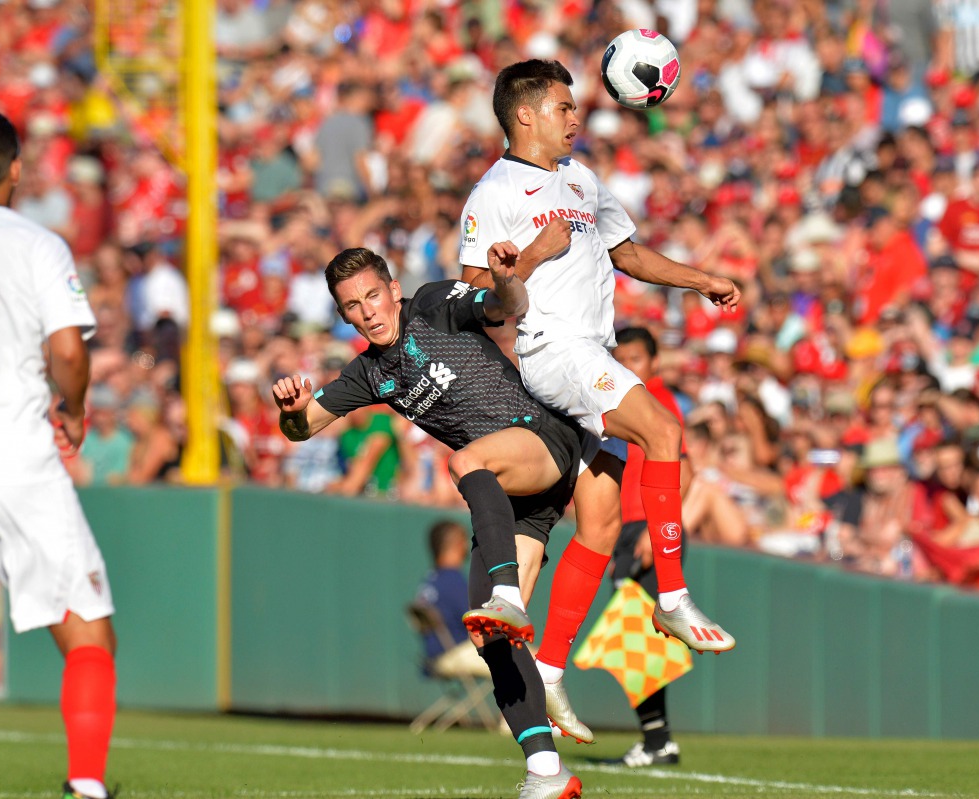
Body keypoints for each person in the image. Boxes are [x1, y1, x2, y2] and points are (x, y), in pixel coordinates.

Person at [455, 63, 737, 719]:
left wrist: (701, 279)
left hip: (592, 354)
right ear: (524, 115)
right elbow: (475, 294)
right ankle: (672, 596)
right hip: (553, 350)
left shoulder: (583, 181)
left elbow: (630, 254)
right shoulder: (494, 191)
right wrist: (527, 261)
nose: (575, 117)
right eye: (562, 107)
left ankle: (549, 669)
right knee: (664, 430)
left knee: (602, 522)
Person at [272, 245, 587, 799]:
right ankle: (546, 771)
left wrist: (509, 282)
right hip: (510, 494)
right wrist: (292, 411)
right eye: (353, 305)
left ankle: (507, 594)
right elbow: (301, 430)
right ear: (343, 315)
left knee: (464, 462)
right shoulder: (369, 373)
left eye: (373, 295)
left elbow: (502, 306)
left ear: (393, 289)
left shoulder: (435, 304)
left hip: (538, 441)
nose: (368, 311)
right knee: (493, 640)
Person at [0, 110, 117, 799]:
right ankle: (87, 784)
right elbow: (67, 351)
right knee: (88, 631)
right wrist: (71, 410)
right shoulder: (36, 241)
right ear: (15, 170)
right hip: (15, 460)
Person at [604, 327, 693, 767]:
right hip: (627, 528)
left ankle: (658, 740)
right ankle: (657, 738)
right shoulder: (621, 399)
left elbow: (685, 470)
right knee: (631, 638)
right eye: (622, 358)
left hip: (648, 529)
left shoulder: (655, 397)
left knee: (640, 638)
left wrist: (653, 530)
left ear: (654, 362)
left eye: (635, 358)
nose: (628, 367)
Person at [412, 520, 487, 680]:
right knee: (530, 658)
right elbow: (477, 623)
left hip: (433, 656)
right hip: (455, 655)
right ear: (458, 544)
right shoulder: (452, 580)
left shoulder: (430, 579)